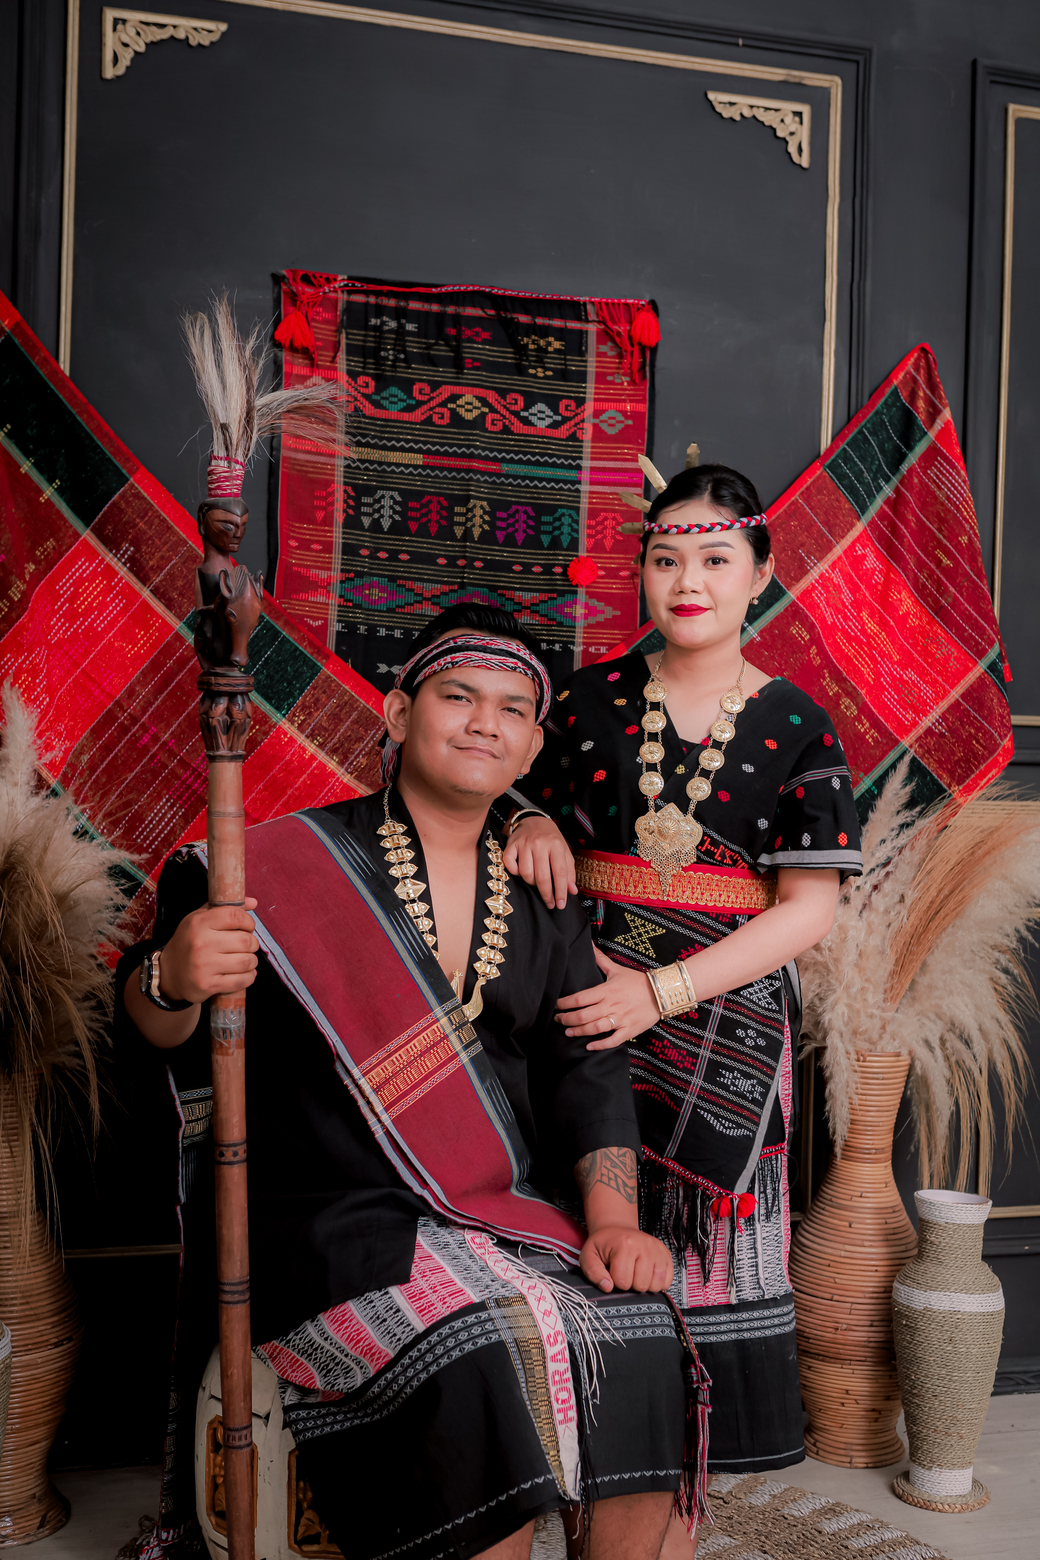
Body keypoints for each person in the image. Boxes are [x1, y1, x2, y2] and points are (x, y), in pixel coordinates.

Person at [117, 606, 704, 1560]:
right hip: (332, 1226)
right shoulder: (280, 866)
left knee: (639, 1336)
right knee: (478, 1359)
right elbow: (154, 1030)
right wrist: (173, 975)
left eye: (513, 709)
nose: (485, 723)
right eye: (459, 697)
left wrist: (612, 1220)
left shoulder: (542, 888)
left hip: (500, 1212)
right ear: (396, 715)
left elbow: (585, 1067)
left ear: (530, 748)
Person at [504, 464, 863, 1547]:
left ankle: (667, 1511)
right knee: (579, 1230)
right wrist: (527, 821)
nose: (686, 579)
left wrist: (658, 992)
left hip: (722, 1028)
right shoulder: (582, 699)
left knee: (703, 1262)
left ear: (760, 573)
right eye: (664, 557)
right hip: (580, 1001)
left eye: (713, 559)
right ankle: (563, 1473)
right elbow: (505, 787)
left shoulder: (800, 722)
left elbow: (807, 912)